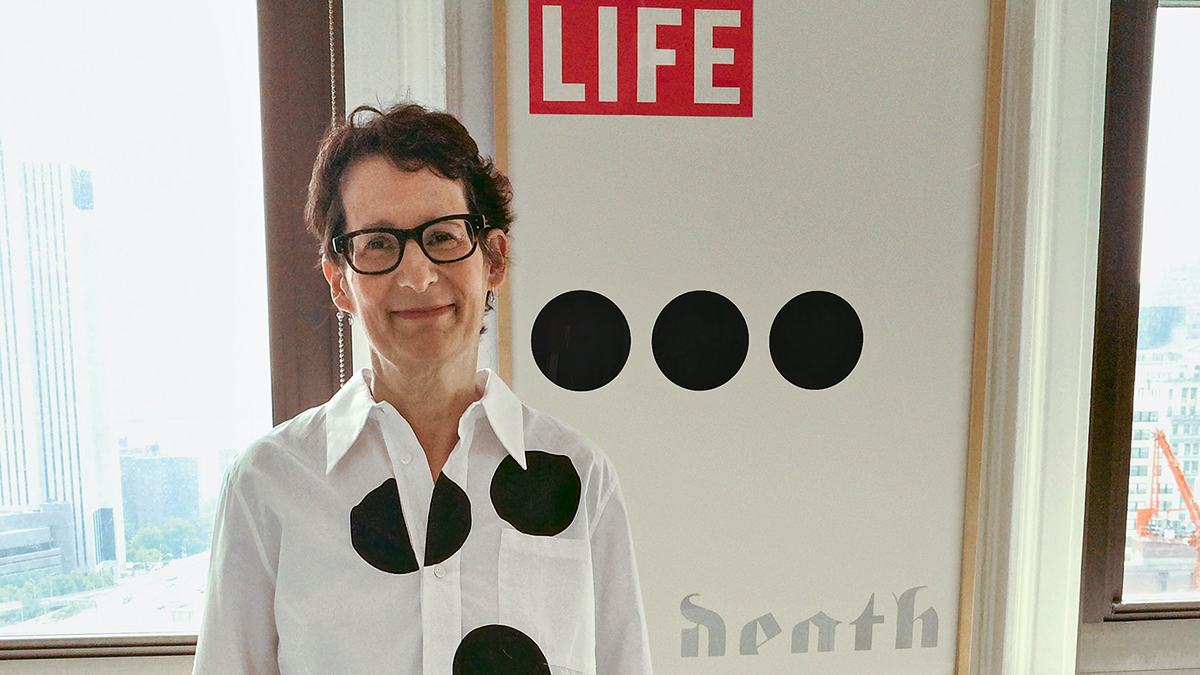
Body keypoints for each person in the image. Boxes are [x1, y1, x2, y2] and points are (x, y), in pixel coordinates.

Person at [192, 103, 653, 675]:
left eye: (442, 236)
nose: (417, 275)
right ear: (340, 280)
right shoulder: (268, 483)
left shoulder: (581, 476)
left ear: (494, 258)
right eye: (379, 243)